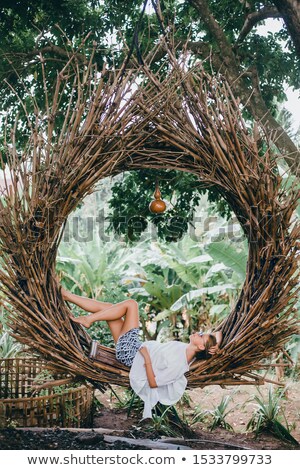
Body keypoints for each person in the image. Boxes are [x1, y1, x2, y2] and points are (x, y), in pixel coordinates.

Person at [61, 288, 222, 419]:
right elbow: (219, 333)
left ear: (201, 348)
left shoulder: (179, 365)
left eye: (202, 336)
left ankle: (86, 317)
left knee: (131, 304)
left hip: (133, 355)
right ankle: (67, 296)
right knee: (110, 310)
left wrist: (146, 358)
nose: (199, 333)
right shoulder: (187, 349)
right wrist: (217, 344)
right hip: (134, 348)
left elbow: (154, 383)